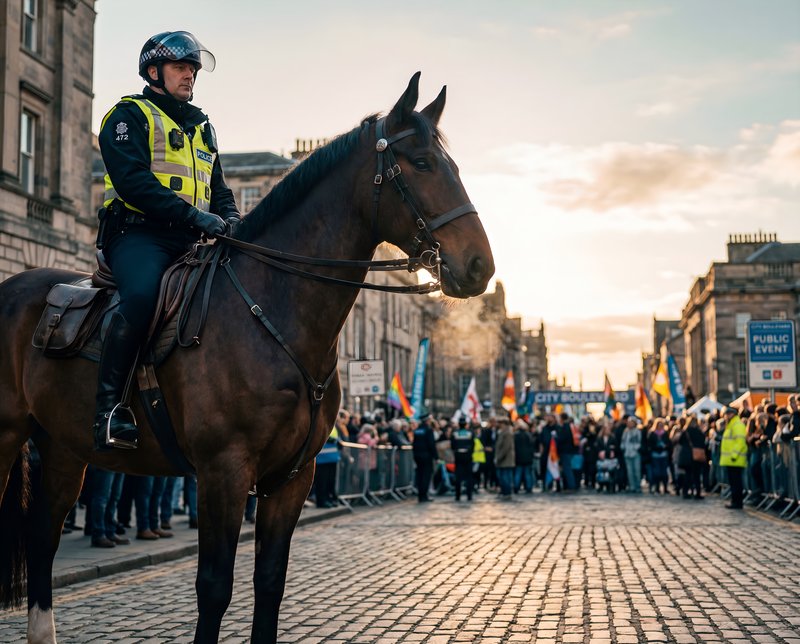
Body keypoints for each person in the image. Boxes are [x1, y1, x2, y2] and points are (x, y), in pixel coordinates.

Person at [93, 31, 240, 451]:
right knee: (141, 297)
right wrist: (195, 216)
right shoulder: (127, 116)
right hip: (138, 235)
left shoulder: (202, 128)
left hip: (191, 241)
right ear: (154, 72)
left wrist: (232, 221)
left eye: (192, 69)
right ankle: (108, 410)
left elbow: (219, 191)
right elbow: (133, 182)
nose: (189, 75)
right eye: (180, 67)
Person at [720, 406, 747, 509]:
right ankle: (735, 501)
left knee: (736, 482)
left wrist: (734, 455)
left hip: (735, 459)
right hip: (732, 459)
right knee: (733, 482)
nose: (726, 416)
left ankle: (737, 502)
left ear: (732, 414)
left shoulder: (737, 425)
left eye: (727, 414)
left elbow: (740, 442)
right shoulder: (731, 425)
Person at [412, 413, 437, 503]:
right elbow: (431, 444)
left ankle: (420, 495)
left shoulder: (417, 430)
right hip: (426, 456)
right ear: (427, 421)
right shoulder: (428, 430)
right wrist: (436, 457)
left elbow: (414, 444)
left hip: (417, 456)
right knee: (426, 475)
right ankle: (424, 495)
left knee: (420, 475)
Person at [451, 417, 474, 501]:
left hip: (458, 457)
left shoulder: (455, 433)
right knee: (469, 477)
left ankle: (457, 496)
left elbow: (452, 445)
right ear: (465, 424)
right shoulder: (470, 433)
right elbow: (473, 445)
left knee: (458, 477)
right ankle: (469, 495)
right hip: (468, 457)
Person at [494, 418, 515, 500]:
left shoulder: (507, 433)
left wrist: (499, 457)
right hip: (503, 460)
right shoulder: (503, 432)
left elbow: (506, 447)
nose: (499, 425)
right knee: (502, 477)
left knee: (506, 478)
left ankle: (507, 493)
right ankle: (504, 492)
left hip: (506, 460)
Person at [513, 419, 535, 494]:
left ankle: (516, 487)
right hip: (528, 457)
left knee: (518, 473)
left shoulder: (515, 435)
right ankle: (529, 488)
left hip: (518, 457)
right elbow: (532, 446)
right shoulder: (529, 435)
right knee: (527, 474)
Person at [621, 417, 642, 493]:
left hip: (635, 454)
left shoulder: (637, 431)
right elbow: (623, 441)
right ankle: (632, 486)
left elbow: (638, 441)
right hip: (627, 453)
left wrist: (635, 448)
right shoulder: (625, 431)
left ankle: (638, 486)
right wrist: (623, 447)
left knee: (637, 470)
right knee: (630, 472)